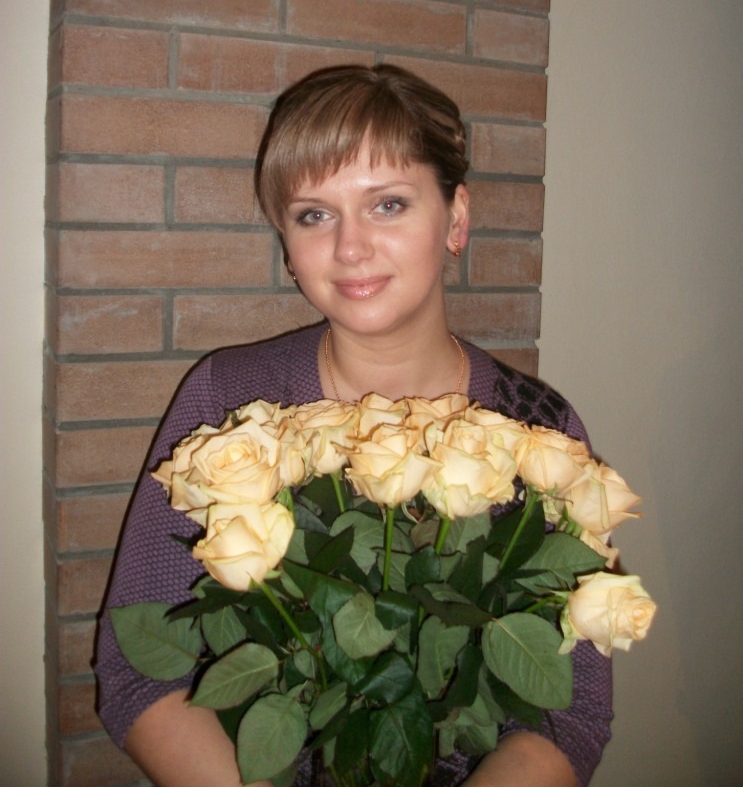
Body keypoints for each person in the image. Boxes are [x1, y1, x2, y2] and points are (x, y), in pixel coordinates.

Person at [95, 64, 613, 787]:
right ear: (287, 243)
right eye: (314, 215)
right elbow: (139, 674)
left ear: (455, 218)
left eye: (388, 204)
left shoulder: (540, 432)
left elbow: (568, 712)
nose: (349, 247)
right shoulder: (228, 399)